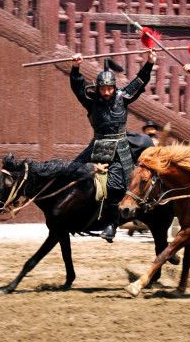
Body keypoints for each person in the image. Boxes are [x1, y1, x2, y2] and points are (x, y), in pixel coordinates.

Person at [70, 51, 156, 242]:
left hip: (122, 147)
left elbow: (139, 82)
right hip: (100, 145)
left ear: (114, 87)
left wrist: (149, 63)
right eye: (103, 89)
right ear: (98, 88)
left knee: (116, 185)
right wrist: (76, 67)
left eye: (110, 88)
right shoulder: (91, 101)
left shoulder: (123, 97)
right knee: (74, 173)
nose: (107, 92)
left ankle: (111, 224)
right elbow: (78, 87)